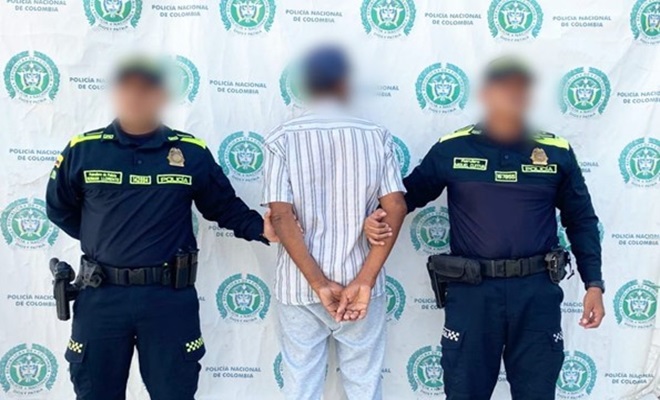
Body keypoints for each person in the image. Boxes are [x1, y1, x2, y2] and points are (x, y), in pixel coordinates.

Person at [364, 56, 605, 400]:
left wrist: (594, 283)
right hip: (472, 294)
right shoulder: (452, 148)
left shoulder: (556, 151)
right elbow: (406, 197)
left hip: (536, 293)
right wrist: (375, 216)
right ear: (486, 94)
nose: (513, 96)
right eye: (504, 88)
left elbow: (581, 220)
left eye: (520, 89)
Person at [46, 55, 278, 400]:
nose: (136, 97)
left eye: (146, 89)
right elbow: (59, 208)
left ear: (161, 96)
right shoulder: (84, 150)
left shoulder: (190, 151)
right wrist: (107, 239)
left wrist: (261, 228)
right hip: (101, 297)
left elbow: (223, 206)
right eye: (128, 89)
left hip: (168, 300)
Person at [263, 46, 407, 400]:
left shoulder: (282, 138)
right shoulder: (376, 135)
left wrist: (318, 282)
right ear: (345, 84)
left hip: (299, 287)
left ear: (307, 85)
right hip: (362, 284)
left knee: (301, 386)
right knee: (364, 385)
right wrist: (364, 280)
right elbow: (396, 206)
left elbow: (280, 216)